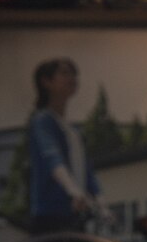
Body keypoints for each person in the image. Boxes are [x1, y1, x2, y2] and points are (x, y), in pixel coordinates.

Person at [26, 58, 99, 233]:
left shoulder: (72, 131)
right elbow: (52, 158)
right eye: (64, 73)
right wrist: (73, 191)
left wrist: (99, 200)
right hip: (51, 214)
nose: (72, 78)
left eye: (74, 74)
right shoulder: (42, 121)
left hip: (74, 212)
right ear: (46, 81)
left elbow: (85, 170)